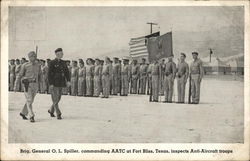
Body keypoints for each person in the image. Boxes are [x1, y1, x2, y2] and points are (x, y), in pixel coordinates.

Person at [14, 51, 42, 122]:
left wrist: (42, 85)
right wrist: (16, 85)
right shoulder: (25, 65)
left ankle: (23, 113)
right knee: (29, 100)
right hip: (27, 85)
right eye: (32, 56)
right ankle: (31, 116)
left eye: (35, 56)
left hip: (35, 85)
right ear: (29, 57)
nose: (34, 57)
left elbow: (40, 76)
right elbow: (19, 75)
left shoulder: (38, 65)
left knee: (31, 100)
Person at [48, 48, 70, 119]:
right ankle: (58, 113)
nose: (62, 54)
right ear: (57, 54)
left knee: (58, 98)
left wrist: (68, 81)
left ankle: (51, 110)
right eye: (61, 53)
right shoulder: (52, 62)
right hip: (54, 83)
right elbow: (49, 74)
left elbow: (67, 72)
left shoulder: (63, 62)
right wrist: (50, 83)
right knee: (55, 98)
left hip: (61, 82)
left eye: (62, 53)